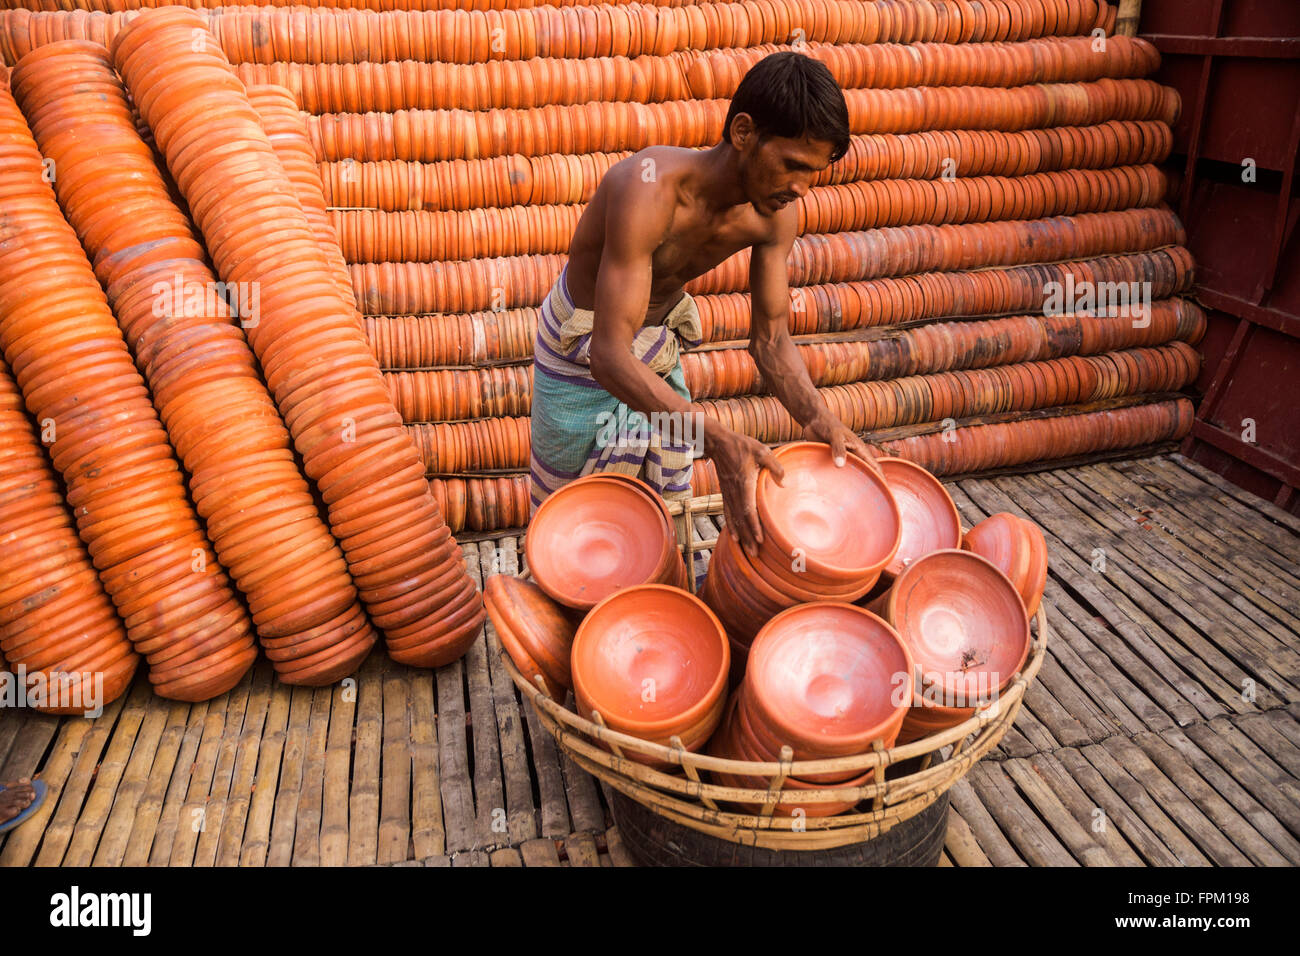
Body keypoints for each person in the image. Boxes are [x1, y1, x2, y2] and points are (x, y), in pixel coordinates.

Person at [529, 51, 879, 558]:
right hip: (580, 351)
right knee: (568, 514)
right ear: (742, 132)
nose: (801, 188)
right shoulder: (647, 187)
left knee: (664, 510)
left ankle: (657, 598)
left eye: (814, 173)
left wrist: (816, 416)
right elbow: (607, 354)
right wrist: (715, 437)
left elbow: (772, 338)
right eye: (792, 166)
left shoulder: (773, 215)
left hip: (651, 349)